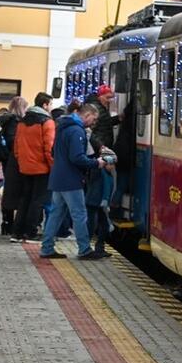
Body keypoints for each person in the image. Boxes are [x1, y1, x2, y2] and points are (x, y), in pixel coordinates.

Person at [39, 102, 109, 260]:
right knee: (79, 214)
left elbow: (53, 152)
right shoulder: (77, 130)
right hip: (71, 180)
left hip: (58, 178)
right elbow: (77, 157)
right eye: (94, 119)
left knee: (56, 214)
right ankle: (84, 249)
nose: (94, 122)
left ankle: (46, 248)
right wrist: (96, 163)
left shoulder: (62, 127)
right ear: (87, 115)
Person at [11, 92, 55, 242]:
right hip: (41, 167)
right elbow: (49, 148)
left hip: (25, 167)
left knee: (25, 199)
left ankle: (16, 232)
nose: (51, 108)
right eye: (50, 104)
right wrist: (53, 167)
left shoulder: (22, 121)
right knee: (38, 200)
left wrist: (21, 160)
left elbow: (16, 146)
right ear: (45, 105)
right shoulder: (47, 122)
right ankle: (31, 232)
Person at [0, 97, 27, 235]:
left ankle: (7, 222)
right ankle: (9, 224)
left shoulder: (7, 121)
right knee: (13, 193)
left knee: (9, 192)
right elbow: (12, 140)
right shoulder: (14, 122)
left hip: (8, 159)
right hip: (14, 160)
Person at [85, 147, 117, 258]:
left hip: (101, 204)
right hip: (93, 202)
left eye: (114, 164)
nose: (112, 167)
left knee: (104, 225)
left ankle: (100, 247)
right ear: (104, 162)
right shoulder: (98, 171)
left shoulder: (108, 174)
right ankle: (85, 247)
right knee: (91, 224)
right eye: (110, 163)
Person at [110, 100, 135, 220]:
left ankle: (114, 210)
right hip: (126, 157)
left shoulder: (125, 121)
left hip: (120, 155)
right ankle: (114, 211)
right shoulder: (133, 122)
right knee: (122, 185)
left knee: (120, 184)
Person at [85, 84, 116, 152]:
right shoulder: (96, 109)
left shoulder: (102, 107)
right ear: (100, 96)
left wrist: (118, 119)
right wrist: (100, 146)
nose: (109, 101)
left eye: (111, 98)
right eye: (107, 97)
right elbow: (89, 131)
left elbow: (104, 122)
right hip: (98, 148)